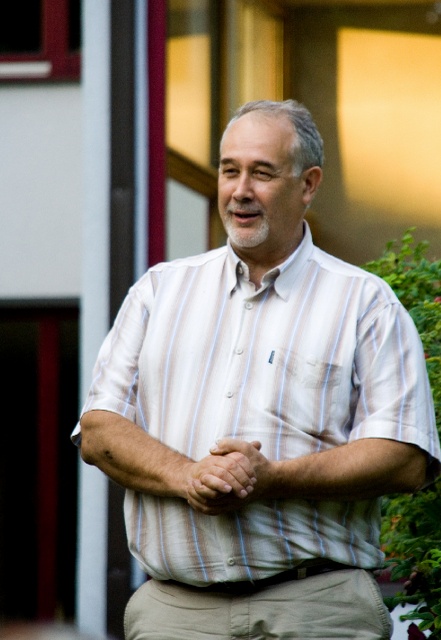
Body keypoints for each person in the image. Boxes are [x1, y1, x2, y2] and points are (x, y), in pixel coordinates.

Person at [73, 99, 441, 640]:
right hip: (176, 614)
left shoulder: (365, 303)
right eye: (230, 170)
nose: (240, 190)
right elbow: (100, 431)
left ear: (308, 185)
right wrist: (189, 476)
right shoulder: (158, 292)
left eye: (262, 173)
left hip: (317, 610)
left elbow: (404, 456)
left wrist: (272, 481)